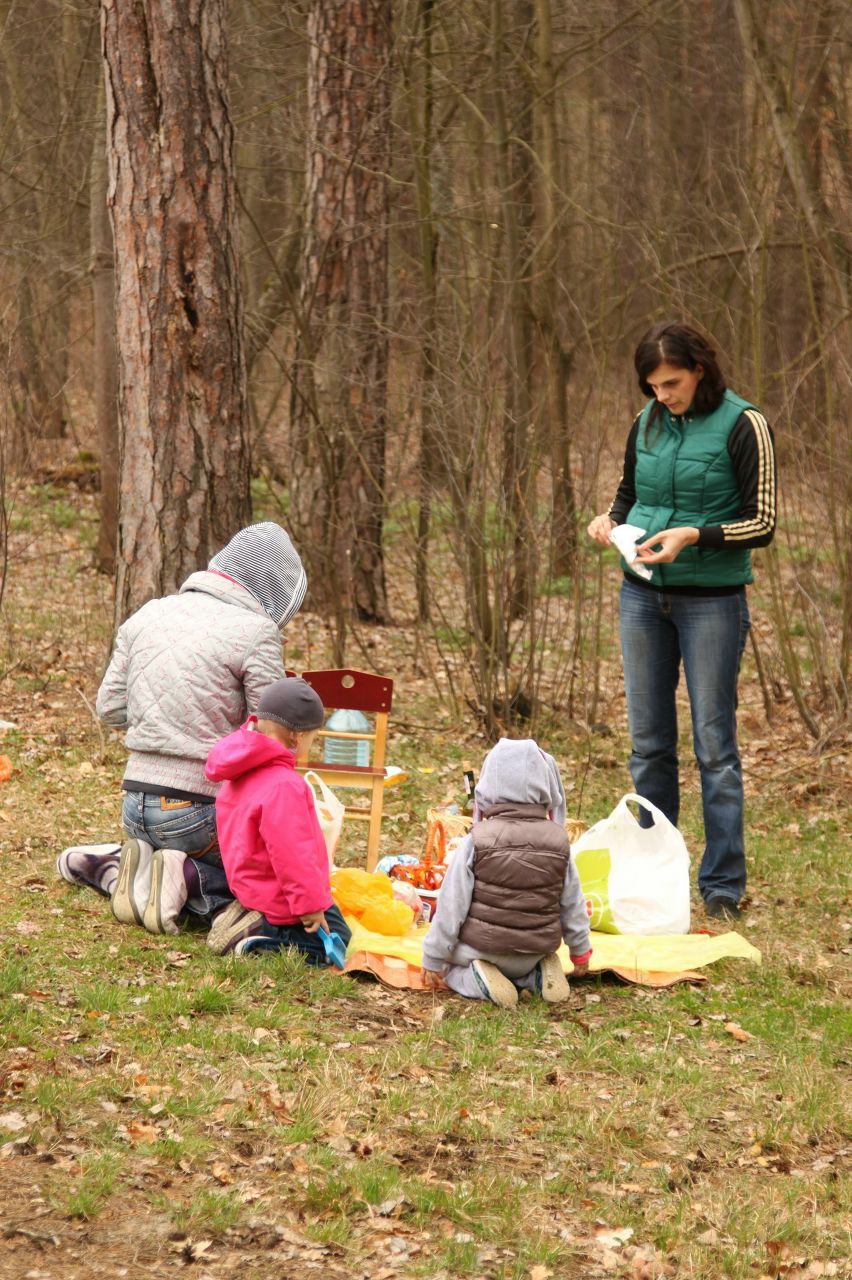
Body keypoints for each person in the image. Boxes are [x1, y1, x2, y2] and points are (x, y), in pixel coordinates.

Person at [587, 322, 777, 921]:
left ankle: (721, 885)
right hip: (642, 596)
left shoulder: (746, 424)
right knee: (648, 749)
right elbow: (628, 493)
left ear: (700, 368)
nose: (662, 395)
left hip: (713, 602)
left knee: (715, 749)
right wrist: (607, 521)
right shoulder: (646, 422)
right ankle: (651, 873)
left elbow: (763, 521)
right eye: (652, 385)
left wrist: (696, 535)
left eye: (671, 383)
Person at [56, 522, 307, 935]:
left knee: (168, 853)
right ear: (272, 591)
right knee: (276, 881)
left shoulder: (148, 614)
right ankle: (189, 877)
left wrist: (164, 717)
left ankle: (116, 869)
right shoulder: (257, 633)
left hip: (135, 805)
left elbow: (109, 707)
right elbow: (271, 732)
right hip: (200, 816)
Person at [420, 738, 592, 1008]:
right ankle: (535, 976)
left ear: (490, 785)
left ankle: (478, 979)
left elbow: (451, 906)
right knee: (525, 964)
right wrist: (580, 951)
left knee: (450, 968)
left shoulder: (477, 840)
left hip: (482, 949)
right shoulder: (559, 842)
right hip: (536, 950)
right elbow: (573, 902)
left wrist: (433, 956)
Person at [203, 676, 351, 961]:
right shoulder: (284, 786)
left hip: (254, 890)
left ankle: (247, 917)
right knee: (336, 939)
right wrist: (309, 905)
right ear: (297, 736)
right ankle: (257, 938)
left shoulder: (242, 770)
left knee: (331, 910)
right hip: (281, 901)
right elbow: (293, 855)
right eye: (312, 736)